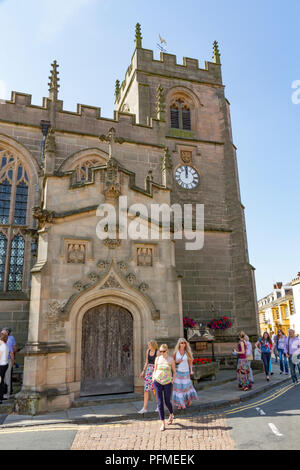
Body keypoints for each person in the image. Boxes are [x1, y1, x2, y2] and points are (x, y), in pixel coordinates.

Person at [153, 344, 176, 432]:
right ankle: (163, 422)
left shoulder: (171, 359)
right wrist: (153, 378)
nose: (161, 353)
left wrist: (172, 380)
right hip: (157, 381)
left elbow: (174, 372)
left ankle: (171, 414)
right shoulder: (157, 359)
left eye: (163, 351)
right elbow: (155, 370)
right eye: (160, 351)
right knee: (160, 402)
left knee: (167, 401)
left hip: (167, 382)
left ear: (167, 351)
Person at [172, 338, 198, 410]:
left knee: (186, 388)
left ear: (185, 344)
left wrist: (191, 370)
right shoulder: (176, 352)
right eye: (181, 343)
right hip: (178, 372)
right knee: (179, 389)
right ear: (179, 344)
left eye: (184, 343)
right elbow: (172, 362)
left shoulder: (187, 352)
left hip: (186, 372)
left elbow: (190, 361)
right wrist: (177, 361)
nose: (183, 344)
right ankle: (180, 403)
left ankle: (189, 400)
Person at [138, 340, 159, 414]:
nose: (148, 346)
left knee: (155, 389)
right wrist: (143, 371)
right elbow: (146, 361)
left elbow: (159, 362)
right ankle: (144, 408)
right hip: (148, 370)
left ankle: (158, 406)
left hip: (155, 370)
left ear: (153, 345)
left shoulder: (157, 352)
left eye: (149, 345)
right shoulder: (148, 351)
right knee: (146, 389)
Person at [1, 327, 16, 399]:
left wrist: (13, 361)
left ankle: (7, 393)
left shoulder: (9, 340)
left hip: (6, 361)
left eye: (3, 333)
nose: (1, 334)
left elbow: (11, 352)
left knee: (7, 377)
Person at [0, 332, 9, 404]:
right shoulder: (6, 346)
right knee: (1, 380)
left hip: (1, 365)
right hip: (5, 364)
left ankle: (0, 397)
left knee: (0, 381)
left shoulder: (2, 346)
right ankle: (1, 396)